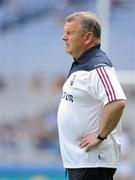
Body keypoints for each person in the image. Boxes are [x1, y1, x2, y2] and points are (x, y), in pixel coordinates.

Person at [57, 11, 127, 180]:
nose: (63, 37)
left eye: (69, 33)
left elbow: (117, 102)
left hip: (93, 162)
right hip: (82, 162)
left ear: (88, 37)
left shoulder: (98, 67)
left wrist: (99, 135)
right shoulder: (82, 64)